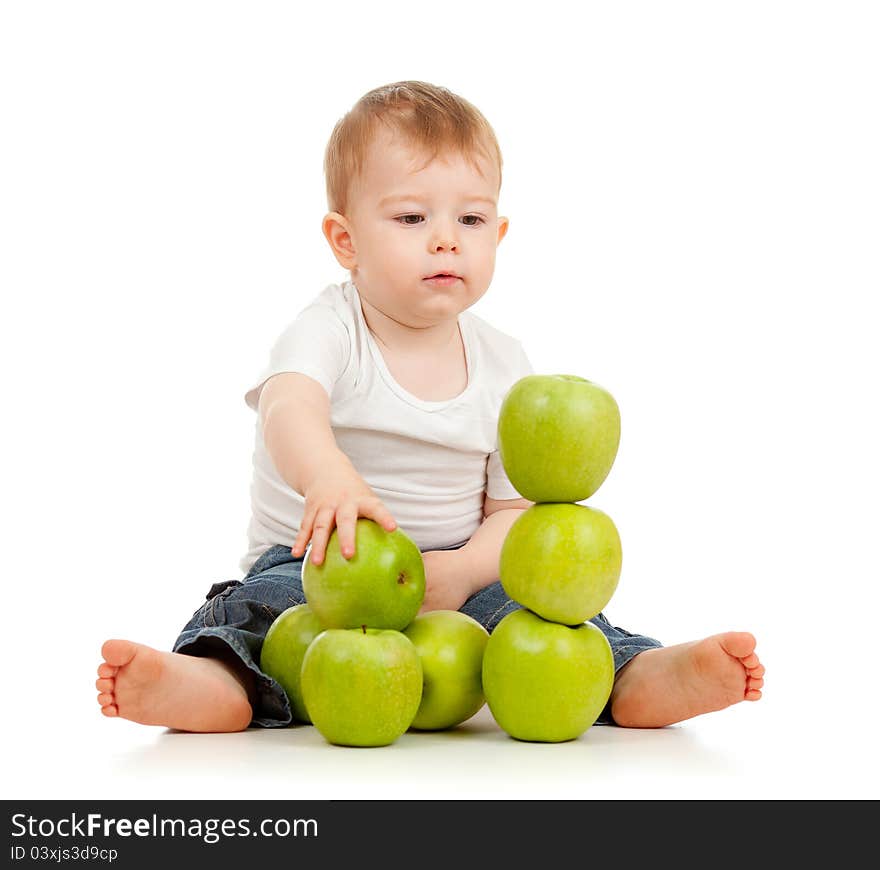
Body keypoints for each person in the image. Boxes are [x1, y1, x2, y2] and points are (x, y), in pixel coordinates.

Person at [96, 81, 764, 733]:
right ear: (345, 240)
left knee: (551, 620)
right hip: (324, 567)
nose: (446, 239)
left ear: (498, 233)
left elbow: (513, 513)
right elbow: (287, 408)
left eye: (470, 219)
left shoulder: (505, 365)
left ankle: (635, 677)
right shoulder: (330, 328)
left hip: (459, 570)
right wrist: (329, 477)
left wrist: (466, 569)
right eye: (413, 218)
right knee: (261, 613)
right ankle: (211, 682)